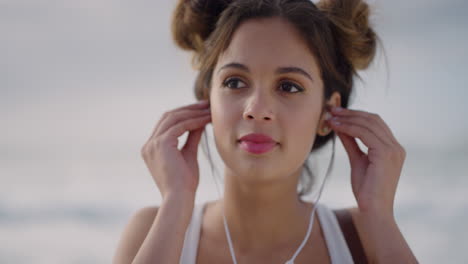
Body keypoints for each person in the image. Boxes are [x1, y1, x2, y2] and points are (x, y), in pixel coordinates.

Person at [113, 0, 419, 263]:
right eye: (234, 82)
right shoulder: (151, 233)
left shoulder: (362, 240)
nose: (257, 108)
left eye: (288, 86)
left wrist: (379, 216)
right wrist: (176, 201)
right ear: (208, 99)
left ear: (328, 112)